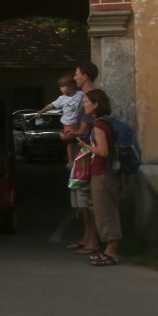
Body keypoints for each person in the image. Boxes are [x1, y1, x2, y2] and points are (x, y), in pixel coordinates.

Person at [76, 88, 122, 266]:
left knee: (105, 212)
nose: (84, 104)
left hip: (102, 173)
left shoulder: (99, 125)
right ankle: (109, 250)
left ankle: (111, 252)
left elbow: (103, 151)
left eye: (87, 102)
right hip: (104, 172)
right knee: (104, 211)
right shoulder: (105, 123)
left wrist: (86, 146)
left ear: (96, 105)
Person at [65, 61, 101, 254]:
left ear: (85, 75)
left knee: (87, 200)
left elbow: (83, 130)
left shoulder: (91, 98)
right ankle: (87, 237)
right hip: (81, 154)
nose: (75, 77)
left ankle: (93, 240)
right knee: (82, 201)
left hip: (86, 153)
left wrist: (67, 135)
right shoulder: (83, 97)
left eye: (77, 74)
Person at [38, 73, 83, 166]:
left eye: (63, 86)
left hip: (78, 123)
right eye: (60, 87)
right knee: (70, 142)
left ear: (71, 86)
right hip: (68, 124)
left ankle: (78, 158)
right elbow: (51, 105)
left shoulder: (80, 94)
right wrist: (42, 111)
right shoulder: (62, 99)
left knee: (79, 141)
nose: (60, 89)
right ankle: (71, 160)